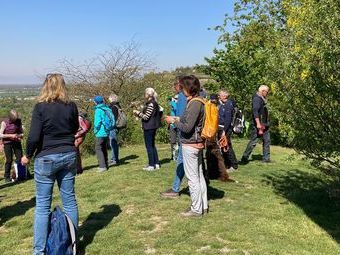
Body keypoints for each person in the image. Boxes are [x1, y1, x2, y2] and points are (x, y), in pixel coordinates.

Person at [21, 73, 79, 254]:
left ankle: (39, 251)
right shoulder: (71, 106)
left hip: (46, 157)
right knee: (69, 201)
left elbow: (33, 136)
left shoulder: (40, 107)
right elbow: (75, 127)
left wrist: (27, 155)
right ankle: (73, 246)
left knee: (42, 207)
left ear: (46, 86)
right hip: (69, 154)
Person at [165, 75, 208, 217]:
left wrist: (174, 122)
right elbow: (188, 120)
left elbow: (187, 127)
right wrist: (176, 119)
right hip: (197, 143)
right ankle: (204, 206)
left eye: (183, 86)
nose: (181, 89)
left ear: (188, 88)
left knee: (193, 178)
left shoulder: (195, 103)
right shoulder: (199, 100)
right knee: (199, 176)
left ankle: (196, 209)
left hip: (191, 144)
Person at [160, 76, 187, 197]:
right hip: (193, 135)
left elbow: (181, 117)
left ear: (179, 85)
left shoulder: (181, 97)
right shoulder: (195, 96)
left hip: (185, 134)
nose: (173, 88)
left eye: (174, 85)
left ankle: (175, 189)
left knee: (181, 161)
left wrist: (171, 119)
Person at [205, 94, 234, 181]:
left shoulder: (211, 106)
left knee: (213, 153)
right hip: (211, 132)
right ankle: (216, 173)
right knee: (214, 154)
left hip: (211, 132)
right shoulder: (212, 106)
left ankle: (216, 173)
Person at [240, 85, 271, 163]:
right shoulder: (257, 99)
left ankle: (266, 158)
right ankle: (244, 157)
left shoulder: (262, 99)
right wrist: (258, 124)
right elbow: (255, 112)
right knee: (253, 142)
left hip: (265, 124)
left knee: (267, 140)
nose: (267, 93)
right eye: (267, 92)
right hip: (259, 124)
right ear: (262, 91)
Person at [133, 88, 161, 171]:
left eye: (145, 93)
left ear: (149, 95)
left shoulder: (151, 104)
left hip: (149, 127)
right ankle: (156, 163)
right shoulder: (153, 103)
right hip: (152, 126)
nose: (144, 95)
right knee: (152, 145)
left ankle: (151, 165)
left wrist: (138, 113)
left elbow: (146, 117)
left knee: (149, 146)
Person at [0, 110, 27, 182]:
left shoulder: (18, 121)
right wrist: (11, 135)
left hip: (16, 141)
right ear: (10, 117)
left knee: (20, 158)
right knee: (9, 160)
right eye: (13, 119)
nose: (15, 120)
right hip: (7, 143)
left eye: (15, 119)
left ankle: (21, 175)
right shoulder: (4, 122)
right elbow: (1, 134)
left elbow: (22, 132)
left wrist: (19, 135)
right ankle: (7, 177)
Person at [218, 90, 238, 171]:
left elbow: (227, 119)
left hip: (226, 129)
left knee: (227, 146)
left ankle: (233, 165)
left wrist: (224, 131)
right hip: (222, 127)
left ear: (224, 96)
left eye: (220, 95)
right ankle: (227, 164)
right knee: (223, 146)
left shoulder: (228, 105)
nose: (218, 96)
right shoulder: (224, 104)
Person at [93, 95, 114, 172]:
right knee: (104, 148)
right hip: (107, 131)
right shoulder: (107, 108)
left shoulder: (98, 110)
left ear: (95, 102)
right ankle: (106, 164)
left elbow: (97, 123)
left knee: (98, 148)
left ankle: (102, 166)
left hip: (100, 132)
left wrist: (95, 130)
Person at [108, 94, 121, 165]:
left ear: (112, 99)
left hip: (113, 127)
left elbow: (113, 118)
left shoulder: (113, 107)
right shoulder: (118, 106)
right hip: (116, 127)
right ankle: (114, 158)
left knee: (113, 143)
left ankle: (114, 159)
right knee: (113, 143)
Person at [168, 94, 178, 161]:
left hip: (178, 123)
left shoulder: (178, 105)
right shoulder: (172, 103)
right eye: (175, 98)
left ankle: (178, 155)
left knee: (180, 141)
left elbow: (176, 109)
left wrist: (173, 101)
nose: (176, 100)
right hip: (172, 124)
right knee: (172, 141)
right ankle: (173, 155)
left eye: (177, 99)